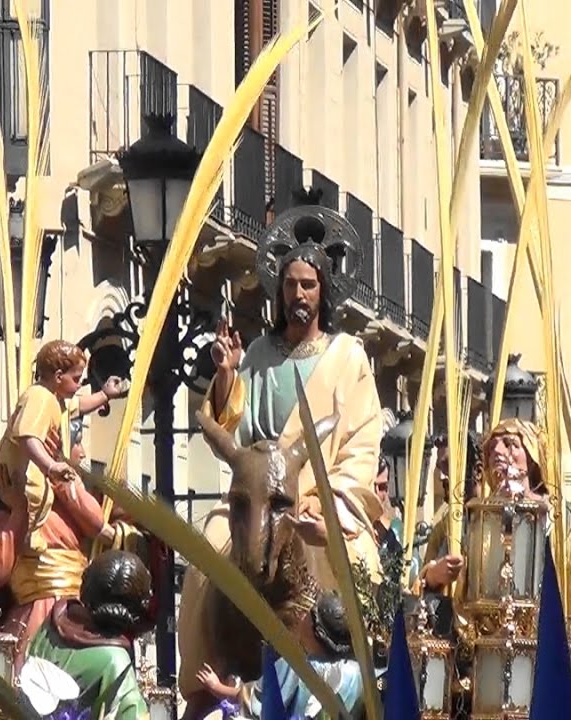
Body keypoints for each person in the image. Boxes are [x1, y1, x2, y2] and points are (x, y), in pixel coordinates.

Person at [177, 205, 385, 710]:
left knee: (362, 561)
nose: (298, 295)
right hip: (255, 498)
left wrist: (325, 500)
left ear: (324, 291)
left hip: (318, 500)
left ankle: (366, 666)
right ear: (279, 290)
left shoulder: (348, 356)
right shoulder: (258, 356)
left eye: (309, 285)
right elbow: (233, 429)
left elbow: (359, 444)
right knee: (207, 549)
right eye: (290, 285)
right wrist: (226, 374)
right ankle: (200, 674)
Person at [419, 418, 571, 706]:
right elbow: (428, 600)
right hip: (482, 674)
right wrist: (433, 576)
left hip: (549, 664)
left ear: (531, 457)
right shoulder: (467, 522)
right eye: (492, 447)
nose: (499, 452)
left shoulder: (564, 528)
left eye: (511, 445)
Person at [0, 339, 137, 667]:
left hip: (75, 608)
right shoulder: (39, 405)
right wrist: (25, 502)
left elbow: (94, 521)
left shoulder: (66, 482)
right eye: (74, 442)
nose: (79, 450)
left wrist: (106, 395)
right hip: (35, 616)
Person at [22, 550, 153, 719]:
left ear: (85, 585)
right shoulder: (115, 660)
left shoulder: (50, 628)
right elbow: (131, 713)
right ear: (139, 607)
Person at [196, 592, 364, 720]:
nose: (303, 614)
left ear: (314, 628)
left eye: (310, 612)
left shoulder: (298, 668)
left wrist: (216, 687)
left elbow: (258, 702)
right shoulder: (357, 674)